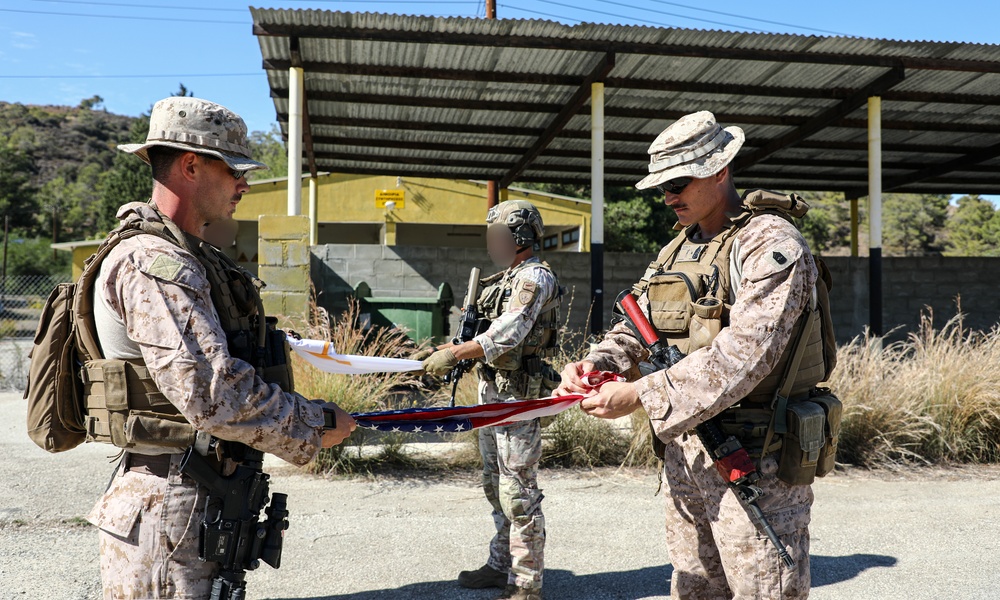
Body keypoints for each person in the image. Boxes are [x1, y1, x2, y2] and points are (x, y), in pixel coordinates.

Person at [83, 96, 356, 599]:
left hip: (189, 496)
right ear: (191, 165)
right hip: (169, 502)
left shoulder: (184, 256)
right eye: (234, 170)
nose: (244, 184)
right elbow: (210, 390)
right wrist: (313, 425)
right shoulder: (155, 263)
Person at [556, 111, 833, 599]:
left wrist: (641, 393)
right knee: (695, 590)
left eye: (678, 183)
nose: (668, 198)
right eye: (660, 188)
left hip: (756, 457)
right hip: (687, 456)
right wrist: (596, 365)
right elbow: (638, 324)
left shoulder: (769, 242)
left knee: (764, 589)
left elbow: (747, 354)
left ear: (720, 169)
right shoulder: (676, 250)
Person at [418, 200, 562, 600]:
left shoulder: (534, 278)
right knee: (493, 484)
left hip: (519, 396)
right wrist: (446, 348)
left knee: (519, 491)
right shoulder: (504, 277)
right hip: (491, 392)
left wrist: (456, 353)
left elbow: (508, 333)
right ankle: (500, 566)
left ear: (521, 238)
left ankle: (526, 584)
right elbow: (483, 332)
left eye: (498, 237)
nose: (491, 245)